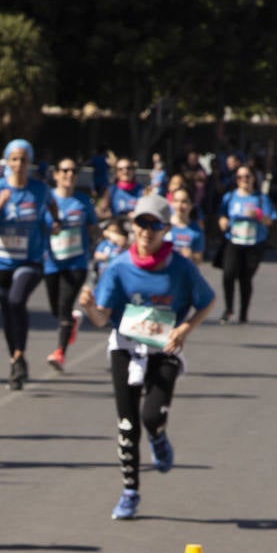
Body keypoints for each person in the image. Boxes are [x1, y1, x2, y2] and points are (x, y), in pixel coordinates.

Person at [78, 193, 215, 521]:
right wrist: (88, 308)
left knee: (151, 416)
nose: (147, 231)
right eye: (141, 223)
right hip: (126, 346)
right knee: (127, 423)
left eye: (155, 224)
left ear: (166, 228)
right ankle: (130, 491)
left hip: (164, 348)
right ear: (133, 226)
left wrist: (184, 329)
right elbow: (102, 319)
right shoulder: (119, 266)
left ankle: (158, 436)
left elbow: (207, 301)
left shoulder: (180, 266)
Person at [0, 138, 54, 388]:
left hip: (30, 261)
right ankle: (16, 359)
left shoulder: (39, 189)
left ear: (29, 163)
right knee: (8, 312)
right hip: (1, 263)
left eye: (23, 160)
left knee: (17, 300)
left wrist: (56, 221)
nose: (19, 164)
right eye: (14, 159)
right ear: (7, 162)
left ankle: (18, 356)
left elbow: (52, 206)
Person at [43, 156, 99, 371]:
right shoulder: (47, 201)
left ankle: (60, 353)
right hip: (52, 262)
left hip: (77, 262)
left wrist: (103, 239)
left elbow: (93, 228)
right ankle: (71, 322)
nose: (69, 175)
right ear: (56, 174)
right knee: (55, 309)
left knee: (65, 307)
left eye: (73, 171)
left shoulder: (83, 201)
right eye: (64, 171)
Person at [216, 161, 276, 324]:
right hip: (234, 240)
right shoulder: (230, 197)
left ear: (253, 178)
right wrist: (222, 221)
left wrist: (256, 215)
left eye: (247, 176)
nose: (243, 179)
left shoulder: (261, 198)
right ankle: (228, 309)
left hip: (254, 242)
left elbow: (269, 220)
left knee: (245, 277)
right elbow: (222, 214)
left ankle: (243, 312)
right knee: (228, 274)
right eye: (239, 177)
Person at [168, 183, 205, 262]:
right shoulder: (163, 226)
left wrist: (191, 256)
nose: (179, 205)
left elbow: (199, 258)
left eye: (184, 202)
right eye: (176, 201)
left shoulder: (197, 230)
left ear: (191, 205)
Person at [97, 156, 142, 221]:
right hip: (117, 227)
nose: (125, 171)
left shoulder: (142, 190)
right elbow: (99, 212)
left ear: (133, 170)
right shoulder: (111, 190)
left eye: (128, 168)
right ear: (116, 172)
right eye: (120, 169)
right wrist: (114, 215)